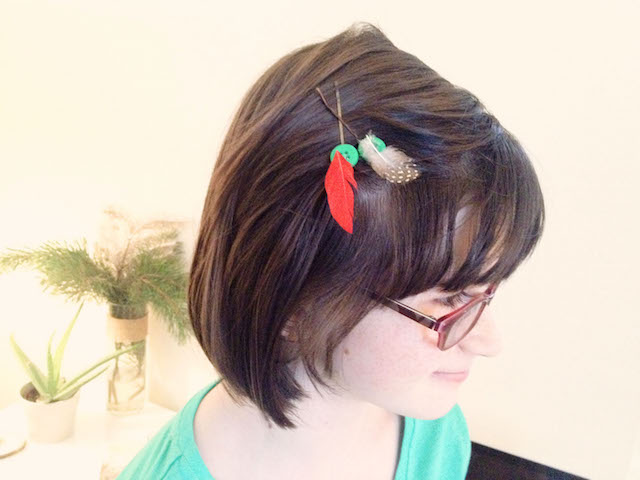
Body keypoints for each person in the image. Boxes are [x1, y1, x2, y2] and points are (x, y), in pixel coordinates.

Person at [117, 21, 545, 480]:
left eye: (488, 289)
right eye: (449, 299)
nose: (490, 341)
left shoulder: (432, 433)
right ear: (294, 302)